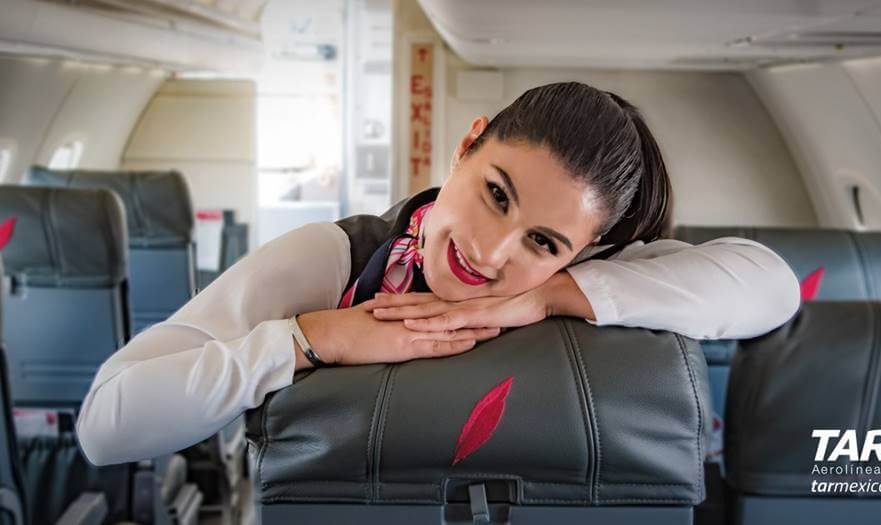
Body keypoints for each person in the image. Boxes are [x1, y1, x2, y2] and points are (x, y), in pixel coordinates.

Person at [76, 82, 800, 466]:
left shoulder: (581, 278)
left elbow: (770, 282)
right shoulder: (335, 259)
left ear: (580, 252)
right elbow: (106, 424)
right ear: (465, 146)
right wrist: (304, 339)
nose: (490, 252)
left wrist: (547, 297)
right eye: (495, 193)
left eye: (542, 241)